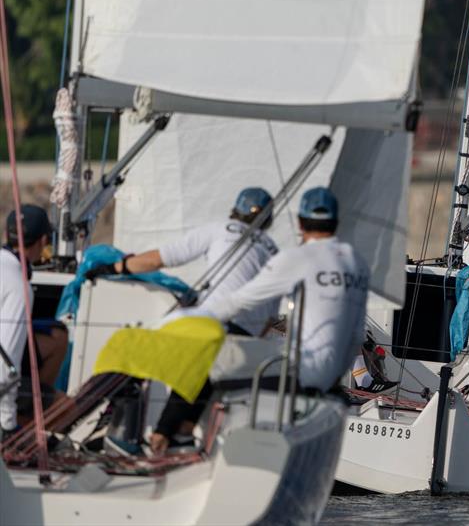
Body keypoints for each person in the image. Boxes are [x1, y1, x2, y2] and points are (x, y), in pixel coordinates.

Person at [151, 187, 370, 453]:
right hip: (331, 386)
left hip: (299, 378)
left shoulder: (296, 258)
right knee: (219, 358)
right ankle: (183, 435)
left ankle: (163, 436)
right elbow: (357, 336)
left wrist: (178, 321)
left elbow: (239, 301)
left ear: (300, 224)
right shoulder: (358, 263)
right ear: (336, 222)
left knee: (204, 359)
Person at [85, 187, 280, 336]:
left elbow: (157, 260)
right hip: (248, 339)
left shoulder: (220, 229)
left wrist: (113, 267)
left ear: (236, 210)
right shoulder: (275, 252)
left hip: (214, 323)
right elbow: (272, 321)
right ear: (269, 219)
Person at [1, 205, 67, 438]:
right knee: (64, 407)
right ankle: (26, 423)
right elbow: (7, 359)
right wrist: (7, 426)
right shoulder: (19, 285)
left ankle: (29, 409)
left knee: (57, 337)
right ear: (43, 240)